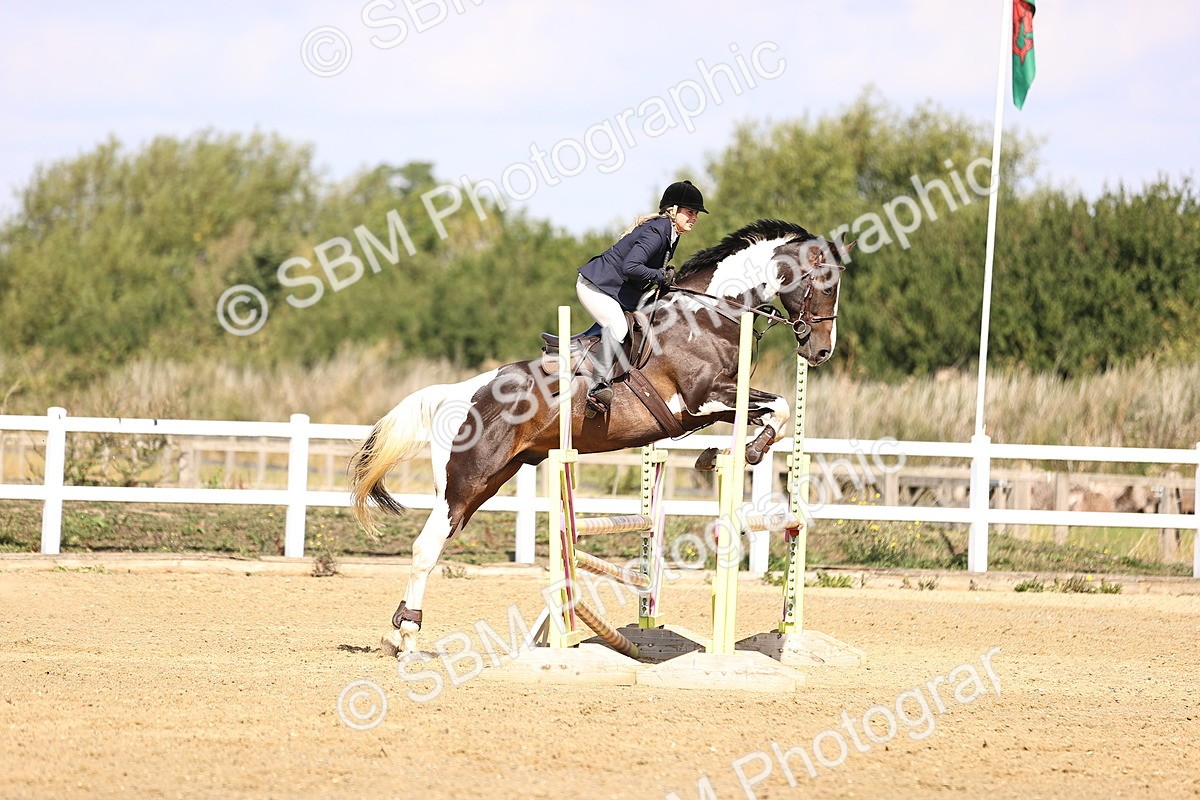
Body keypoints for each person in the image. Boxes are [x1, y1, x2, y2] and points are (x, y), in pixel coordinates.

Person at [576, 180, 708, 412]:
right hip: (595, 287)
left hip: (614, 291)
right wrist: (658, 275)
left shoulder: (670, 233)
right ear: (674, 210)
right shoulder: (658, 232)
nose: (694, 217)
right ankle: (597, 388)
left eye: (696, 213)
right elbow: (631, 266)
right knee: (617, 327)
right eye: (690, 212)